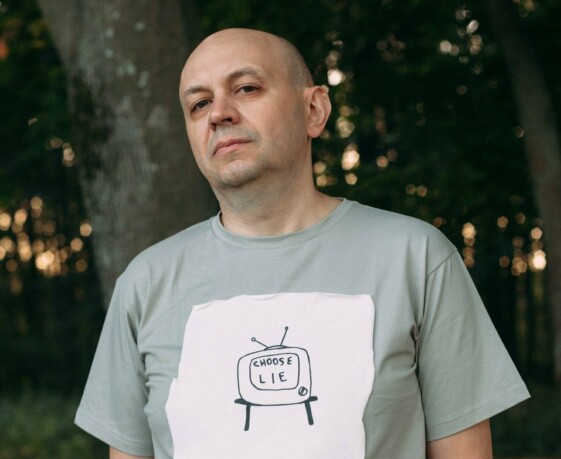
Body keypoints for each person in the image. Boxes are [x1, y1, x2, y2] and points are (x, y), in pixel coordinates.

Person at [75, 28, 530, 459]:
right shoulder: (145, 283)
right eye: (199, 104)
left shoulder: (416, 258)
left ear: (314, 110)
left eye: (246, 88)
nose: (219, 114)